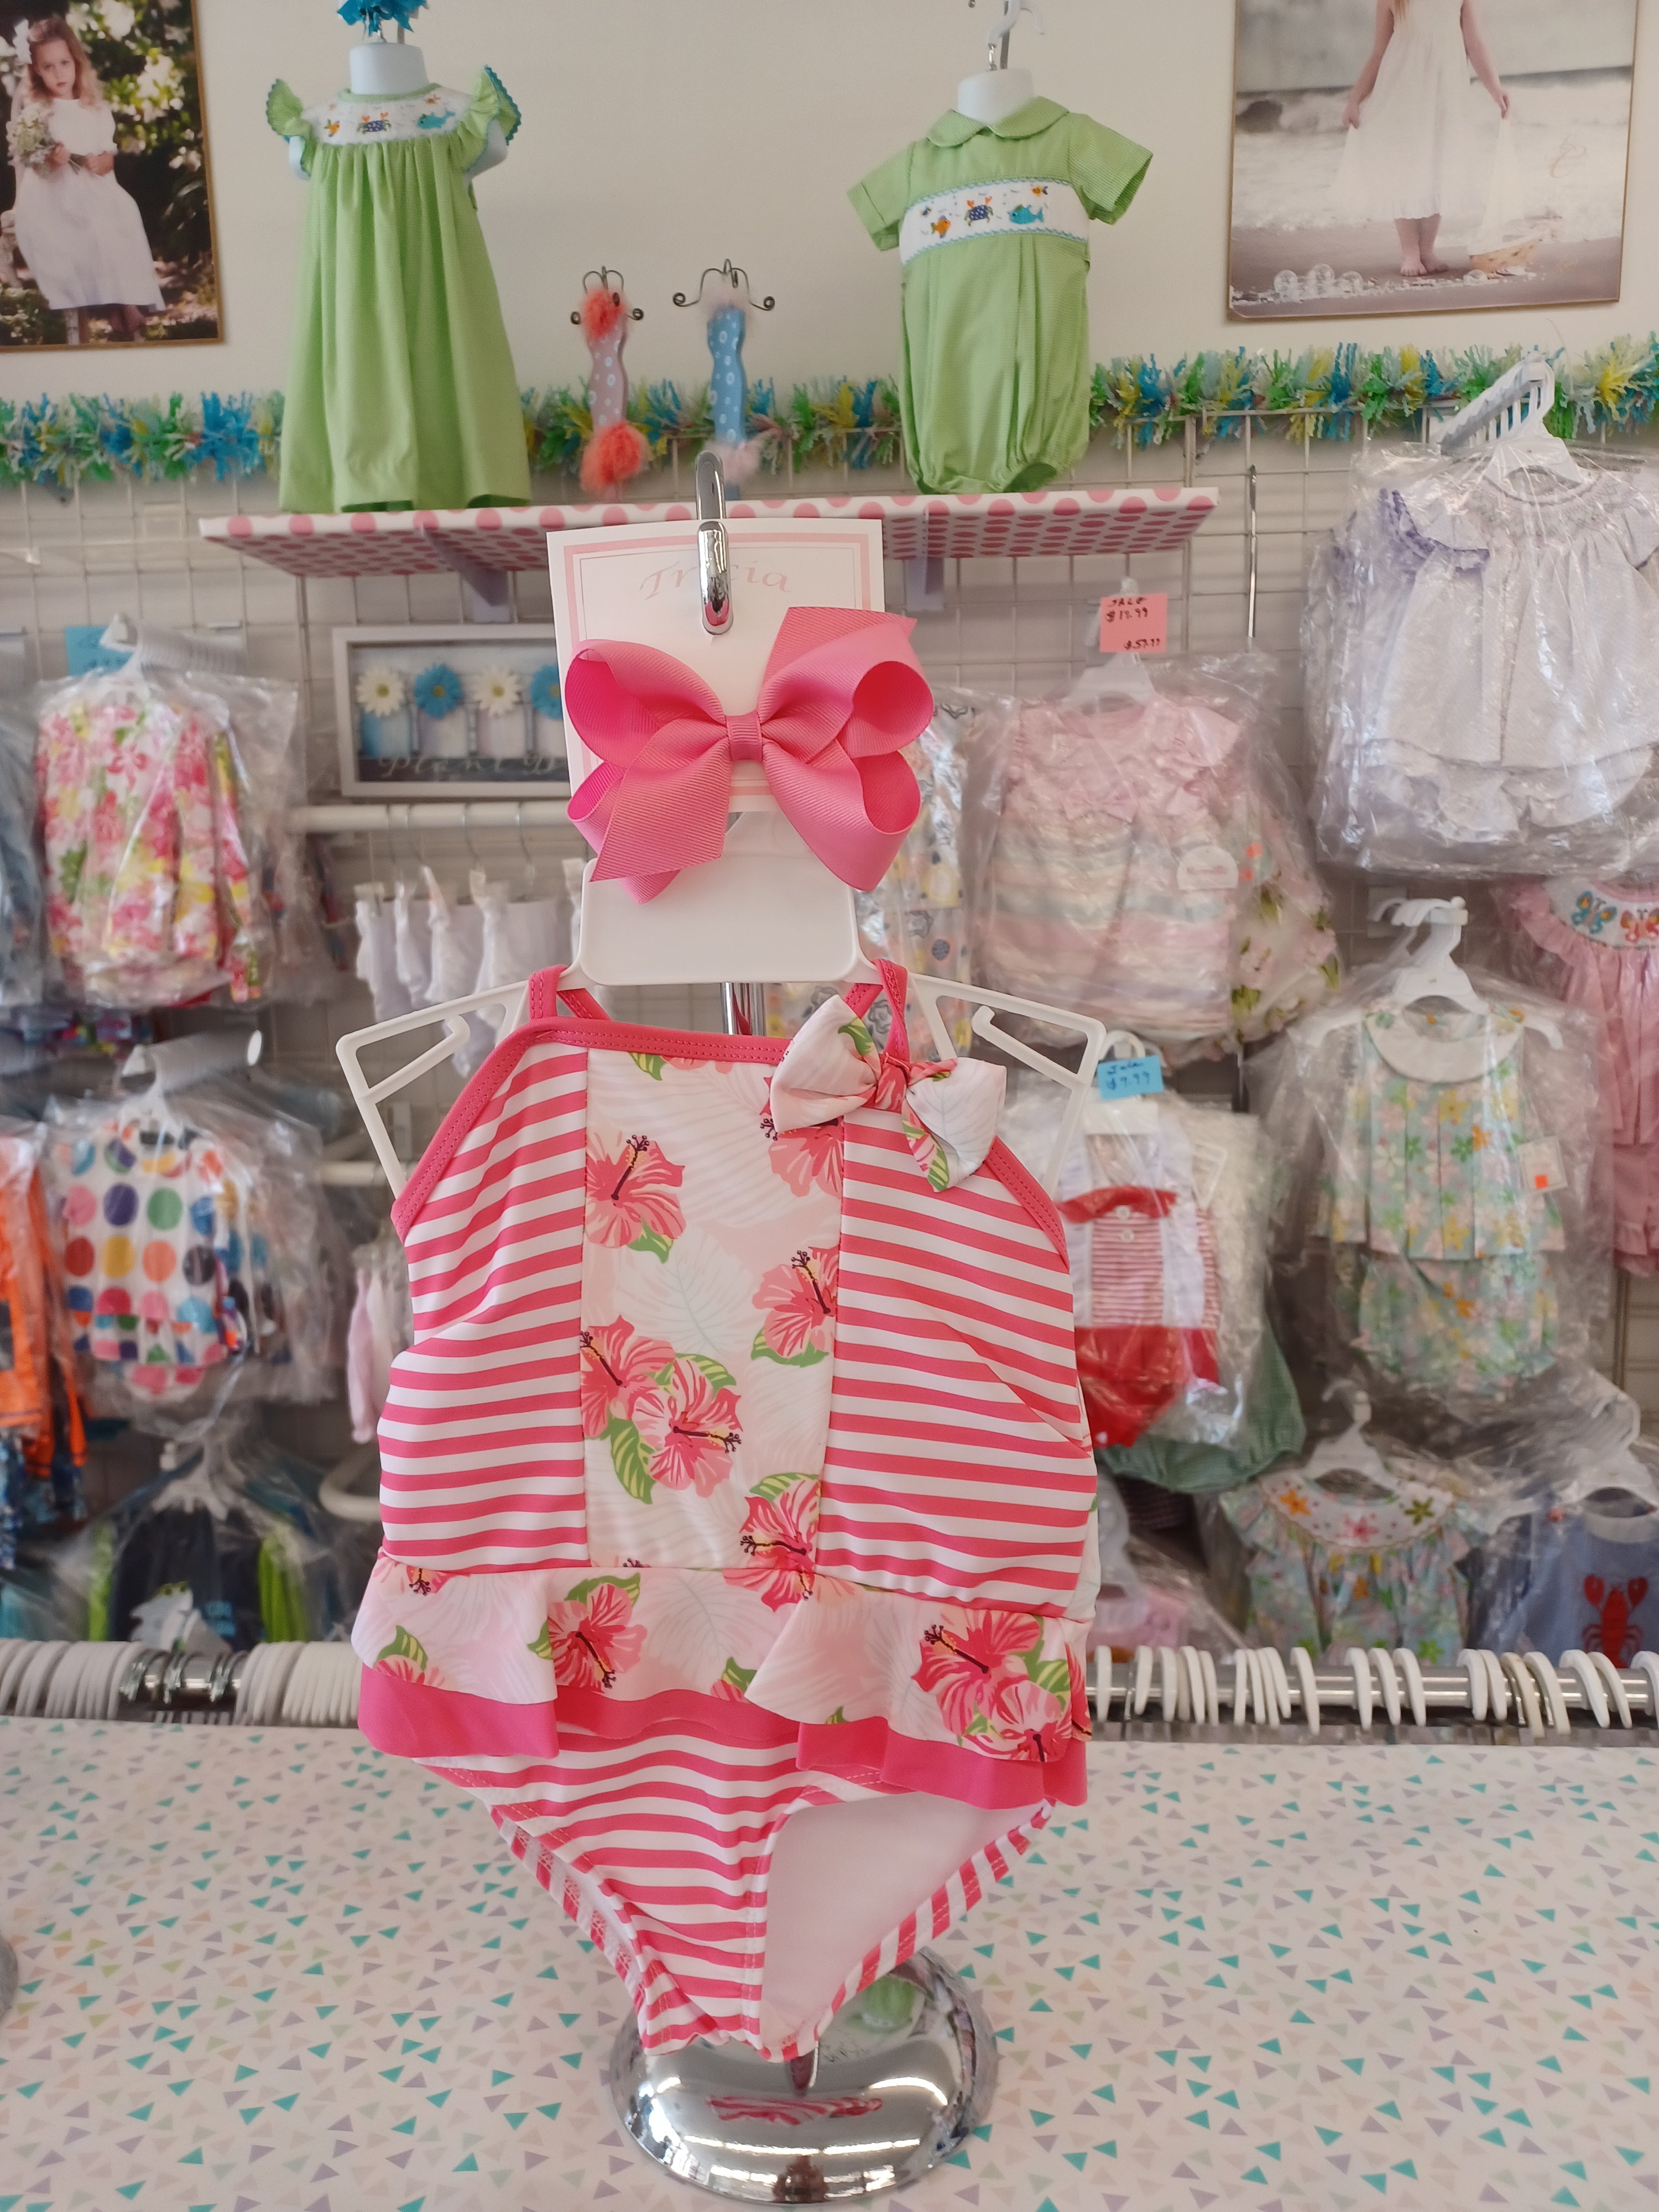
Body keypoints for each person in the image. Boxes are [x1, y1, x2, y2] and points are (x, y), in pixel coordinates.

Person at [11, 15, 162, 338]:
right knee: (91, 223)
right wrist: (53, 160)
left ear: (76, 62)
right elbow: (33, 163)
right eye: (48, 66)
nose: (59, 73)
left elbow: (109, 159)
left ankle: (122, 303)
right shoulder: (39, 112)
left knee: (123, 212)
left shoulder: (94, 108)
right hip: (52, 197)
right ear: (36, 71)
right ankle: (122, 307)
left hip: (94, 190)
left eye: (64, 63)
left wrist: (101, 162)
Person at [1337, 0, 1510, 278]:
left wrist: (1495, 89)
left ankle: (1427, 250)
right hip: (1404, 94)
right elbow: (1379, 54)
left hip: (1446, 95)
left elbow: (1475, 44)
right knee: (1406, 167)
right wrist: (1355, 99)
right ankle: (1410, 252)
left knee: (1439, 164)